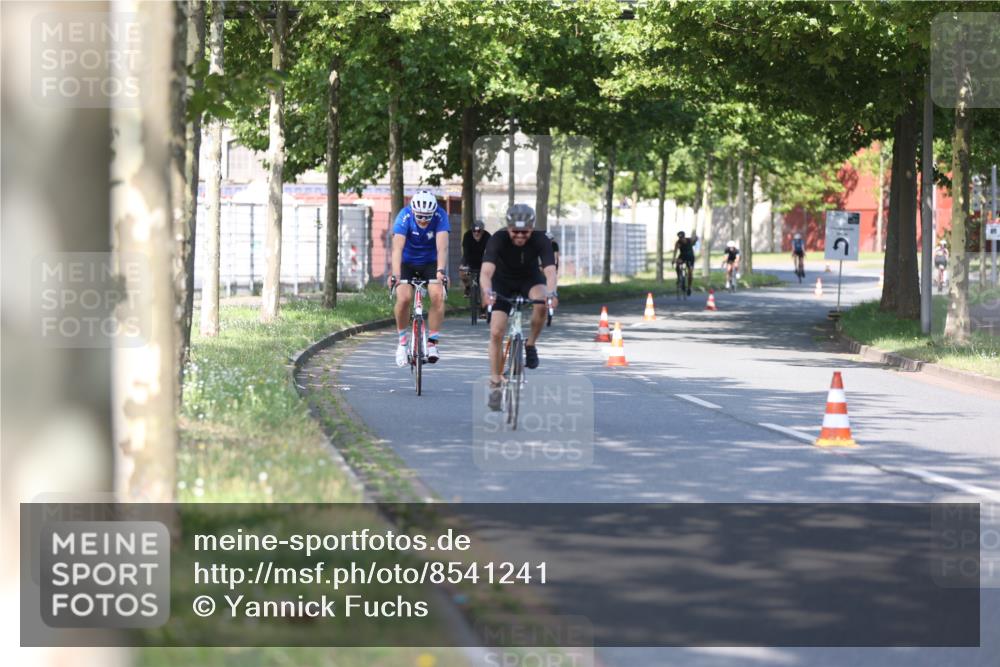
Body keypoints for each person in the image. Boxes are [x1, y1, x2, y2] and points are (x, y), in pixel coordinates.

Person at [480, 204, 558, 411]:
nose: (520, 236)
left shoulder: (541, 239)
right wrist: (487, 292)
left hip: (529, 279)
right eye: (516, 231)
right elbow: (486, 272)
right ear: (508, 227)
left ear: (532, 228)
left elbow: (550, 272)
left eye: (525, 232)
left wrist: (552, 293)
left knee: (541, 304)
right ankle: (496, 382)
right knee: (496, 331)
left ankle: (530, 345)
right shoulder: (498, 238)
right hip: (501, 281)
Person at [388, 191, 449, 367]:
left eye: (427, 217)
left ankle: (432, 343)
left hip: (430, 261)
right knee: (404, 298)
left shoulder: (440, 215)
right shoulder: (404, 216)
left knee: (438, 295)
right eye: (420, 216)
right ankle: (402, 344)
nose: (423, 220)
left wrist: (440, 271)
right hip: (407, 262)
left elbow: (442, 248)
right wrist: (396, 274)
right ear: (414, 212)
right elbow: (397, 248)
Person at [459, 219, 491, 297]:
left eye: (479, 231)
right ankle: (467, 287)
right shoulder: (467, 236)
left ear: (483, 231)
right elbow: (466, 252)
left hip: (483, 259)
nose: (476, 233)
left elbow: (490, 252)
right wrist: (464, 264)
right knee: (462, 272)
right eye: (474, 231)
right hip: (470, 258)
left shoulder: (488, 236)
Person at [671, 230, 697, 295]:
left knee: (690, 272)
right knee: (677, 263)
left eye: (682, 238)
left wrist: (695, 239)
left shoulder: (689, 240)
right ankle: (679, 277)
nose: (681, 239)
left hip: (690, 257)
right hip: (682, 256)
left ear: (684, 237)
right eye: (680, 238)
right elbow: (675, 251)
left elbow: (694, 242)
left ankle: (689, 287)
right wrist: (673, 259)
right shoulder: (678, 243)